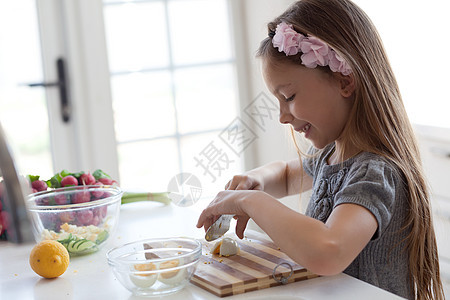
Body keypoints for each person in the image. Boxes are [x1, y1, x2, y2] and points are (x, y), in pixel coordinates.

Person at [196, 0, 445, 299]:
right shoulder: (333, 156)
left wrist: (251, 201)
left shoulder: (376, 173)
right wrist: (256, 180)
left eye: (288, 96)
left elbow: (330, 250)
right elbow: (288, 175)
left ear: (344, 81)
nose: (282, 116)